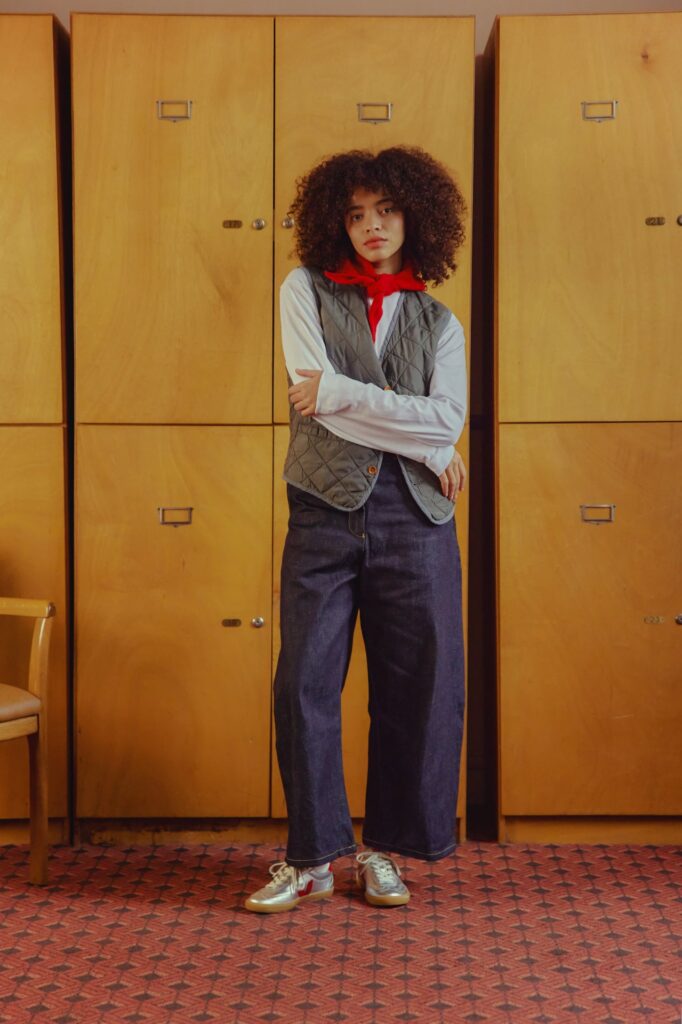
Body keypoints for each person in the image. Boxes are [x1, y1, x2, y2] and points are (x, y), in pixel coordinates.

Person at [245, 146, 468, 913]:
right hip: (324, 510)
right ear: (334, 222)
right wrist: (428, 443)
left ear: (415, 216)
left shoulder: (441, 322)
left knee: (419, 687)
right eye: (356, 214)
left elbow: (443, 418)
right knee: (303, 683)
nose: (373, 226)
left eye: (387, 211)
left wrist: (345, 395)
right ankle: (309, 857)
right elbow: (320, 400)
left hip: (417, 519)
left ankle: (383, 853)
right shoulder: (302, 289)